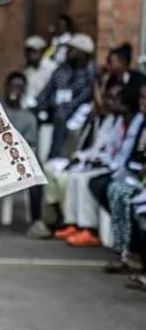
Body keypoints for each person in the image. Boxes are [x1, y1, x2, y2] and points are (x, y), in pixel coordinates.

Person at [54, 82, 143, 247]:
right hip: (113, 168)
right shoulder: (118, 121)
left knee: (90, 182)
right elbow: (110, 151)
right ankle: (75, 224)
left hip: (127, 173)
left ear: (127, 103)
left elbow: (132, 157)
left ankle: (91, 229)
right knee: (76, 178)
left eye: (116, 100)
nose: (111, 103)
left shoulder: (139, 123)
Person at [0, 72, 39, 238]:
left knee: (38, 169)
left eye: (19, 87)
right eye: (12, 86)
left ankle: (37, 222)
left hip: (18, 162)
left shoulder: (29, 117)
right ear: (5, 88)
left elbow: (30, 145)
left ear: (24, 90)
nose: (15, 90)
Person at [36, 33, 97, 159]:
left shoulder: (90, 72)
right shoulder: (62, 69)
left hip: (77, 111)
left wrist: (61, 105)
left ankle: (55, 155)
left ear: (82, 53)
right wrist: (41, 104)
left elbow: (83, 97)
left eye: (71, 49)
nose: (67, 52)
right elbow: (46, 91)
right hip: (55, 108)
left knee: (61, 114)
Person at [22, 35, 56, 109]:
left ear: (42, 51)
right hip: (28, 106)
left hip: (46, 107)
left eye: (34, 51)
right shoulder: (27, 70)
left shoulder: (52, 68)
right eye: (29, 51)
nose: (31, 54)